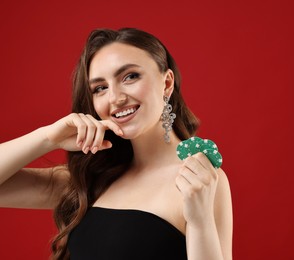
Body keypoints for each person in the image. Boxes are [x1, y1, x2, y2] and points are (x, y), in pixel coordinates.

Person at [0, 28, 233, 259]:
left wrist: (200, 220)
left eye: (130, 76)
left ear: (167, 83)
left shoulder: (199, 181)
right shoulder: (87, 181)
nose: (115, 98)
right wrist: (47, 138)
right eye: (100, 88)